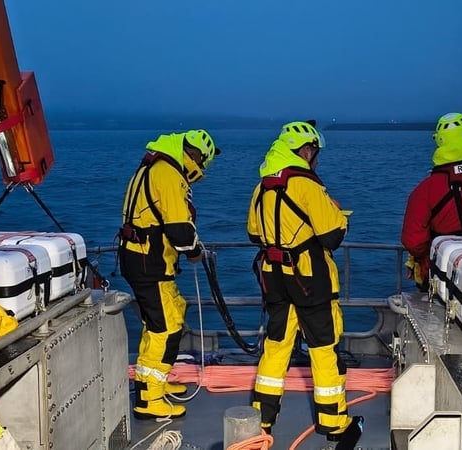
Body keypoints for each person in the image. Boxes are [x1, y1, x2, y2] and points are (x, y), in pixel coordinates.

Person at [247, 120, 363, 445]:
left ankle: (262, 419)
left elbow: (254, 233)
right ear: (307, 150)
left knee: (277, 346)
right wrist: (339, 217)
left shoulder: (262, 187)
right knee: (323, 348)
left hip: (275, 278)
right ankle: (334, 423)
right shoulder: (308, 185)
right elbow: (332, 237)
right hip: (310, 278)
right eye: (316, 153)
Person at [118, 129, 220, 420]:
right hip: (149, 264)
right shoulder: (169, 174)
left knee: (161, 320)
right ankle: (150, 400)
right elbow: (179, 229)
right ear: (194, 155)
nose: (201, 169)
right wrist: (194, 251)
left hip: (142, 261)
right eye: (203, 161)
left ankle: (154, 384)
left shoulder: (153, 167)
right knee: (167, 329)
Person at [400, 112, 462, 291]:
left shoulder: (426, 189)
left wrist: (435, 254)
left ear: (439, 140)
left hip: (442, 278)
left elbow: (412, 239)